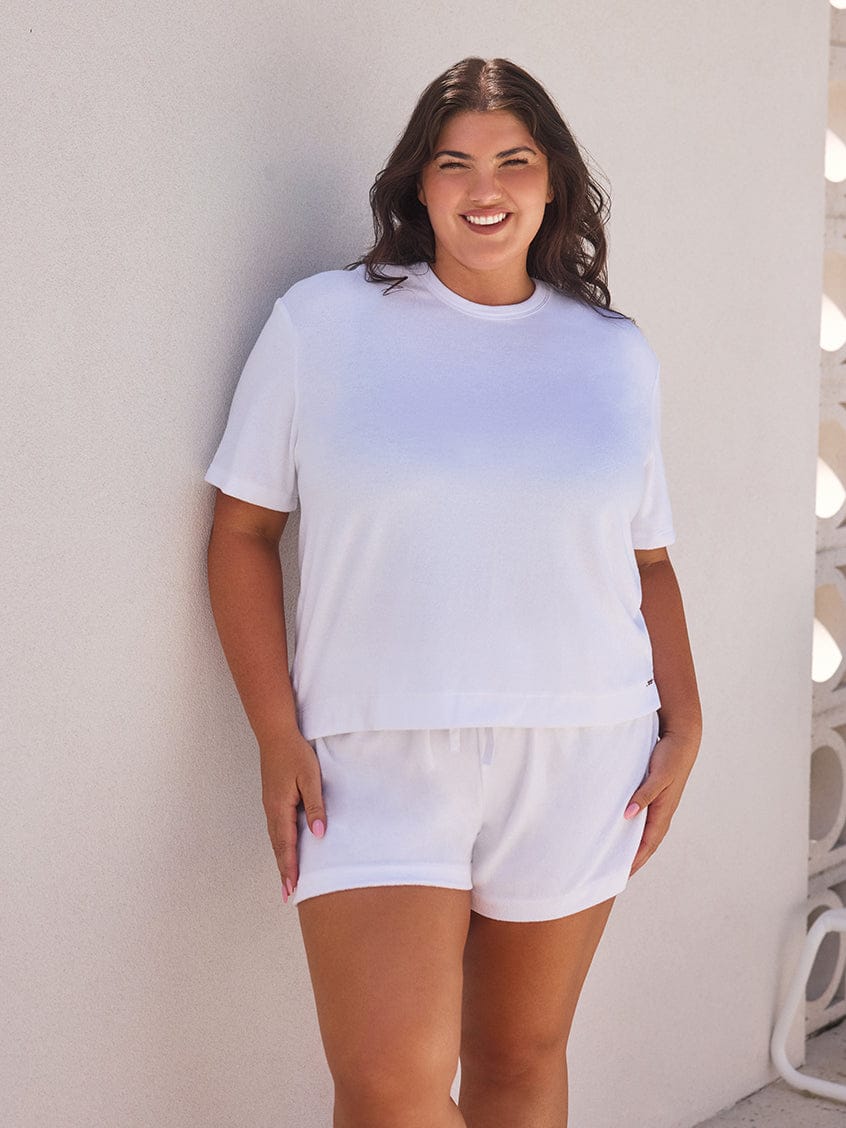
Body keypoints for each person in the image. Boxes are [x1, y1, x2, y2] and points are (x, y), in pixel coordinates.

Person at [204, 55, 702, 1128]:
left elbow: (648, 560)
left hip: (583, 753)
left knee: (522, 1061)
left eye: (515, 160)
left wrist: (688, 719)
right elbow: (242, 531)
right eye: (455, 163)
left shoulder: (614, 354)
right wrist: (275, 734)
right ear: (416, 186)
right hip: (372, 757)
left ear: (554, 182)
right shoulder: (322, 324)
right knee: (389, 1088)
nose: (487, 187)